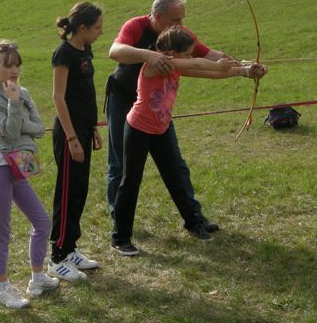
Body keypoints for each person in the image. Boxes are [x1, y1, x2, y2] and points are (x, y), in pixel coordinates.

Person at [111, 26, 266, 255]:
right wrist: (217, 64)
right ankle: (120, 238)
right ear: (171, 53)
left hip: (161, 128)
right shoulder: (155, 65)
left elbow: (209, 72)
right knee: (131, 181)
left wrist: (245, 71)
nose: (191, 58)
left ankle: (194, 223)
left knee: (175, 177)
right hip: (138, 129)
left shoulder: (176, 66)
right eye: (187, 54)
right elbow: (200, 65)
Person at [106, 0, 232, 233]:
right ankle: (119, 219)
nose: (181, 25)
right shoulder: (136, 26)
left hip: (157, 111)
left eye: (182, 19)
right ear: (157, 16)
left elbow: (207, 56)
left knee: (175, 165)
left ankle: (195, 218)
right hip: (124, 100)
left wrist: (244, 67)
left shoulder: (178, 34)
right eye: (175, 20)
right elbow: (115, 51)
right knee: (120, 166)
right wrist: (149, 55)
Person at [0, 39, 59, 308]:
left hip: (19, 166)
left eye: (17, 65)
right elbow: (12, 134)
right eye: (8, 65)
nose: (14, 70)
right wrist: (13, 104)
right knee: (2, 230)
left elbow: (39, 128)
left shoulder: (24, 92)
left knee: (43, 222)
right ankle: (2, 290)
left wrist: (18, 115)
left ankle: (37, 279)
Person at [48, 2, 104, 282]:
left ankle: (70, 249)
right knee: (68, 192)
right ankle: (57, 257)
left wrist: (92, 128)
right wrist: (71, 138)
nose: (101, 32)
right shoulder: (64, 53)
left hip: (83, 130)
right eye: (97, 27)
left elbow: (85, 91)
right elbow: (58, 97)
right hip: (69, 133)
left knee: (80, 191)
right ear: (82, 28)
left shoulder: (86, 49)